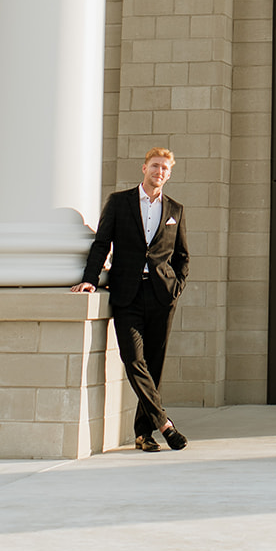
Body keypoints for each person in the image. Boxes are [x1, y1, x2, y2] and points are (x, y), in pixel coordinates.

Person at [72, 148, 189, 453]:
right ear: (144, 168)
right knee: (134, 359)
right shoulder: (119, 202)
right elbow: (101, 244)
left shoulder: (175, 210)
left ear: (169, 173)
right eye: (155, 166)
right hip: (127, 294)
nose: (159, 172)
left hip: (161, 295)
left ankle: (144, 434)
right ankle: (165, 424)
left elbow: (182, 256)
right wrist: (90, 278)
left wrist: (176, 286)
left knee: (155, 365)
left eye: (165, 168)